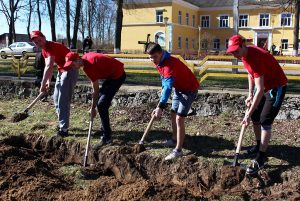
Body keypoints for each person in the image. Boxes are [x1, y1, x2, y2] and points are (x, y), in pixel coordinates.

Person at [226, 35, 288, 175]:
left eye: (236, 50)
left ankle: (261, 157)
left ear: (243, 45)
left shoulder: (256, 57)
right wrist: (249, 94)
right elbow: (250, 73)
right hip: (263, 86)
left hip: (276, 87)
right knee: (255, 115)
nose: (234, 54)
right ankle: (259, 144)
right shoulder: (244, 56)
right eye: (232, 52)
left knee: (265, 120)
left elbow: (260, 89)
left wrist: (246, 114)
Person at [146, 43, 199, 161]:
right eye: (149, 57)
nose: (151, 60)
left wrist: (160, 106)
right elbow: (164, 82)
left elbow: (168, 88)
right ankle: (174, 139)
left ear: (160, 53)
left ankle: (178, 150)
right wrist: (161, 98)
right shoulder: (160, 61)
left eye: (154, 56)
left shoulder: (169, 65)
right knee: (173, 113)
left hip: (189, 90)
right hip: (179, 88)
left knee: (179, 118)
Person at [63, 52, 126, 147]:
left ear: (78, 60)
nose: (72, 67)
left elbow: (95, 90)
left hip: (117, 76)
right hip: (112, 75)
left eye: (72, 64)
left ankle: (107, 137)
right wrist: (93, 106)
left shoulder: (89, 67)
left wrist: (93, 108)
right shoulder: (86, 58)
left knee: (102, 105)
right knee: (101, 101)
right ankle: (104, 129)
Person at [30, 30, 78, 137]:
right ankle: (62, 123)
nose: (38, 42)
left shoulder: (51, 46)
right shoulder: (44, 50)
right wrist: (47, 82)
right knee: (56, 98)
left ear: (44, 37)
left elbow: (49, 66)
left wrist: (42, 85)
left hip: (70, 70)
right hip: (62, 71)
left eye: (39, 40)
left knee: (63, 100)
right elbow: (49, 66)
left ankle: (64, 129)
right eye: (36, 42)